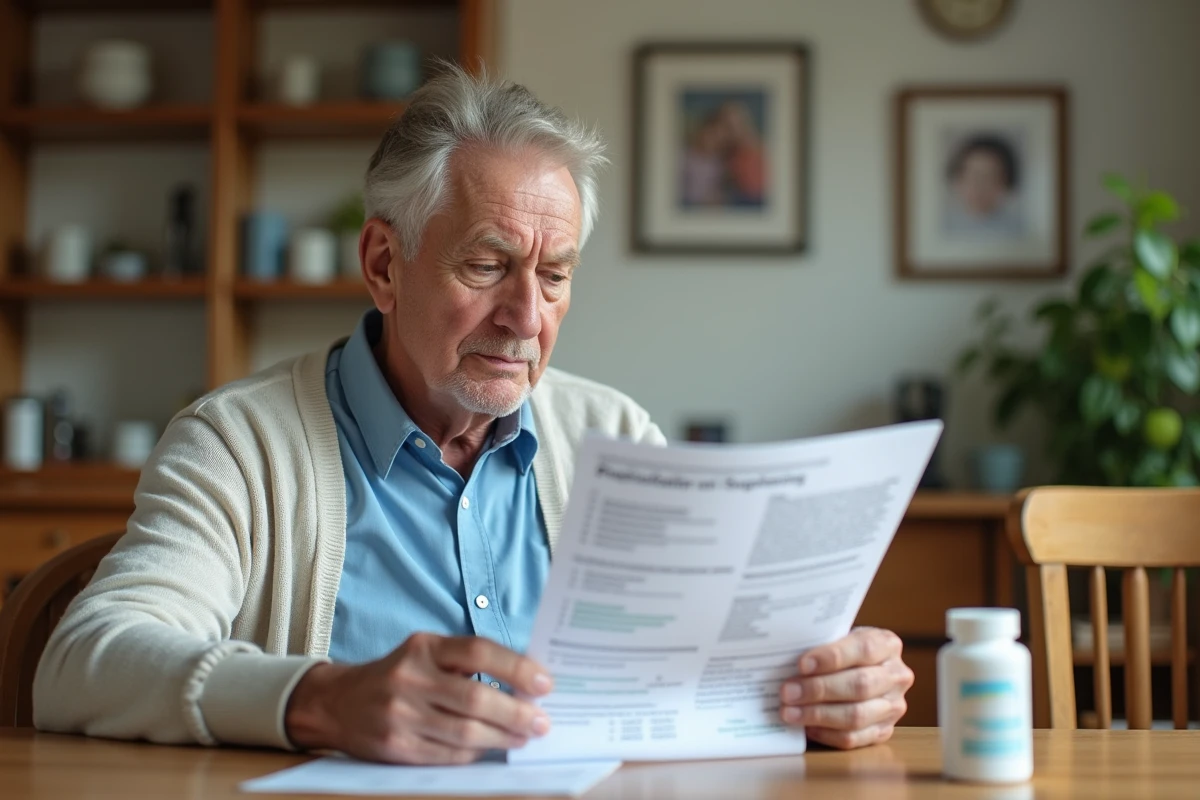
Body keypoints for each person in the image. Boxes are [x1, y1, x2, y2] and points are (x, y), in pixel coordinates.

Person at [33, 65, 914, 764]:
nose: (527, 316)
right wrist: (323, 701)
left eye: (556, 275)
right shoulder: (239, 444)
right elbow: (83, 663)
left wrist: (824, 690)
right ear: (384, 264)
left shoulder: (616, 437)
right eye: (488, 265)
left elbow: (692, 685)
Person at [944, 133, 1024, 236]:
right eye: (973, 176)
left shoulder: (1017, 230)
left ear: (1006, 183)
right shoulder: (943, 227)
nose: (979, 187)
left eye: (990, 177)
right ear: (957, 180)